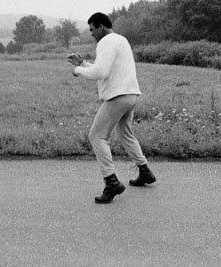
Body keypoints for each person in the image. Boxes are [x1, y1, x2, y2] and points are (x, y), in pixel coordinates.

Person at [67, 12, 156, 204]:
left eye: (92, 29)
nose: (91, 34)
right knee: (126, 134)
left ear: (100, 27)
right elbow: (106, 68)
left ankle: (112, 182)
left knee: (97, 136)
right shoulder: (121, 40)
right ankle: (145, 171)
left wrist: (77, 70)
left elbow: (100, 72)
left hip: (117, 96)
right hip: (130, 94)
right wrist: (83, 63)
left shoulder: (105, 42)